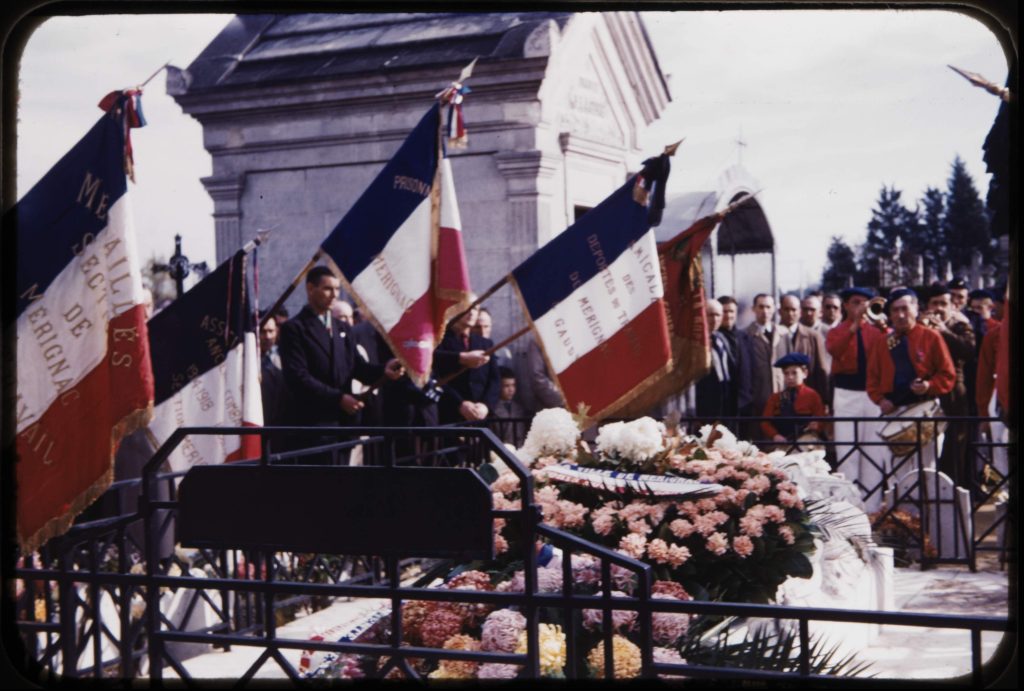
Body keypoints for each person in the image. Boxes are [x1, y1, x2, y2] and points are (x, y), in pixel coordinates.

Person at [277, 266, 404, 462]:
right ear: (310, 289)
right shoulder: (294, 329)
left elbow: (358, 368)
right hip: (314, 426)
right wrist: (338, 398)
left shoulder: (342, 328)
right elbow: (298, 377)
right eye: (327, 289)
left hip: (344, 425)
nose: (334, 295)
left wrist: (385, 371)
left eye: (337, 289)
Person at [867, 287, 956, 488]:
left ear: (916, 309)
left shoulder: (931, 337)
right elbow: (872, 379)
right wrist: (881, 400)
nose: (900, 315)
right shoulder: (882, 343)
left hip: (926, 408)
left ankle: (930, 517)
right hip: (895, 413)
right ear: (889, 314)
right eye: (895, 310)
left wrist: (929, 386)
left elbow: (948, 374)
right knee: (898, 474)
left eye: (905, 309)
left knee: (929, 470)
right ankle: (902, 517)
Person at [826, 286, 887, 509]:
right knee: (847, 452)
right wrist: (853, 326)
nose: (861, 307)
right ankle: (848, 510)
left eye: (865, 303)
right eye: (855, 302)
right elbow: (834, 349)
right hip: (845, 394)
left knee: (873, 452)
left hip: (872, 395)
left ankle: (872, 509)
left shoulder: (877, 331)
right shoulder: (837, 330)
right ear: (846, 306)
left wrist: (883, 328)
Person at [925, 284, 976, 485]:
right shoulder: (920, 325)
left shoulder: (960, 325)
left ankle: (952, 495)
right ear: (927, 306)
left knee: (955, 447)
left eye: (943, 303)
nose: (939, 308)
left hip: (955, 393)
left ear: (952, 305)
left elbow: (969, 350)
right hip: (927, 393)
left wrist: (943, 331)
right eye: (934, 303)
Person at [433, 304, 500, 425]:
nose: (471, 313)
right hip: (449, 415)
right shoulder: (438, 340)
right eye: (467, 308)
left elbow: (494, 379)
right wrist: (459, 404)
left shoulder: (485, 343)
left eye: (475, 309)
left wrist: (486, 405)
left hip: (479, 416)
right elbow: (435, 376)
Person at [743, 293, 790, 440]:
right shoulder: (746, 335)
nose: (765, 311)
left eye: (768, 307)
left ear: (774, 309)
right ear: (753, 309)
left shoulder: (783, 334)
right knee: (758, 438)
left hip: (782, 396)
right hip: (758, 397)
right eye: (761, 307)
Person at [761, 352, 826, 445]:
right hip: (783, 443)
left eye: (794, 373)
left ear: (805, 373)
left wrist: (817, 425)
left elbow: (821, 419)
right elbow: (765, 422)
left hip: (807, 443)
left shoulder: (812, 395)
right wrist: (775, 435)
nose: (790, 377)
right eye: (786, 373)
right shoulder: (775, 397)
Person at [780, 294, 829, 405]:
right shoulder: (772, 335)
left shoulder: (813, 336)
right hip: (779, 398)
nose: (790, 313)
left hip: (806, 398)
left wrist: (824, 400)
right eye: (786, 309)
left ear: (800, 312)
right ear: (780, 311)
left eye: (794, 310)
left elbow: (821, 369)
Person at [695, 299, 735, 420]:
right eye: (710, 314)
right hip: (706, 400)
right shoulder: (697, 342)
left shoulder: (722, 338)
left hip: (726, 397)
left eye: (718, 315)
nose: (715, 319)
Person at [717, 296, 754, 420]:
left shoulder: (745, 337)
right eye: (724, 311)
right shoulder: (713, 339)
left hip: (743, 404)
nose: (728, 315)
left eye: (731, 311)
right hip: (721, 404)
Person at [259, 314, 288, 427]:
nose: (267, 336)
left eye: (271, 331)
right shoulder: (247, 359)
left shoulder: (285, 356)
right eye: (263, 331)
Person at [490, 368, 527, 447]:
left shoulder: (519, 408)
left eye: (513, 385)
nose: (511, 389)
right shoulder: (492, 409)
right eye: (506, 386)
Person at [525, 338, 565, 411]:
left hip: (580, 406)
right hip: (553, 408)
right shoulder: (538, 339)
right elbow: (537, 378)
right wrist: (563, 400)